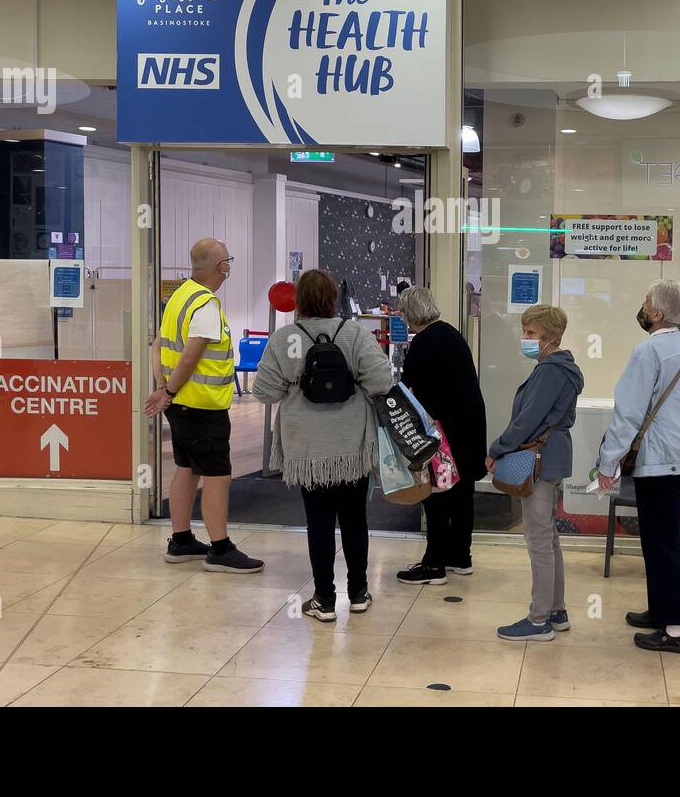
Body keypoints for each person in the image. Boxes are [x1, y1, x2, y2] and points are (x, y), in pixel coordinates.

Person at [252, 268, 393, 622]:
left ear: (298, 301)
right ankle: (359, 593)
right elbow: (381, 380)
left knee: (318, 522)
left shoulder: (284, 338)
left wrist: (295, 384)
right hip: (352, 445)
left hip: (308, 449)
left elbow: (264, 392)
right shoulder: (354, 333)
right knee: (354, 519)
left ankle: (324, 600)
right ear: (333, 298)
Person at [596, 279, 680, 653]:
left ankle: (677, 630)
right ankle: (660, 610)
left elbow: (628, 412)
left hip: (662, 460)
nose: (642, 307)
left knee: (663, 544)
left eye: (646, 302)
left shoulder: (649, 350)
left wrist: (607, 462)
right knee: (658, 539)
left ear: (657, 313)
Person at [143, 238, 263, 573]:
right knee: (217, 476)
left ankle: (181, 541)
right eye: (228, 260)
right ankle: (220, 549)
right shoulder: (205, 306)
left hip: (181, 404)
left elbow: (157, 346)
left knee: (187, 469)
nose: (230, 266)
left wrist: (164, 388)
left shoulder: (179, 297)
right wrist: (168, 390)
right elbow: (190, 355)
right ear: (219, 267)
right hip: (202, 407)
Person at [488, 305, 583, 641]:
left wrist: (497, 448)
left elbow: (527, 421)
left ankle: (539, 619)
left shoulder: (549, 371)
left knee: (539, 539)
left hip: (539, 460)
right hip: (552, 457)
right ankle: (556, 611)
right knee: (549, 536)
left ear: (549, 337)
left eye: (530, 333)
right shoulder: (564, 367)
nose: (525, 338)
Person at [395, 286, 487, 585]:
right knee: (462, 495)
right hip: (469, 427)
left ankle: (434, 565)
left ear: (410, 314)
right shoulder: (451, 334)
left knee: (435, 495)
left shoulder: (423, 343)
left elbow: (408, 389)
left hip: (443, 434)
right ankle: (461, 557)